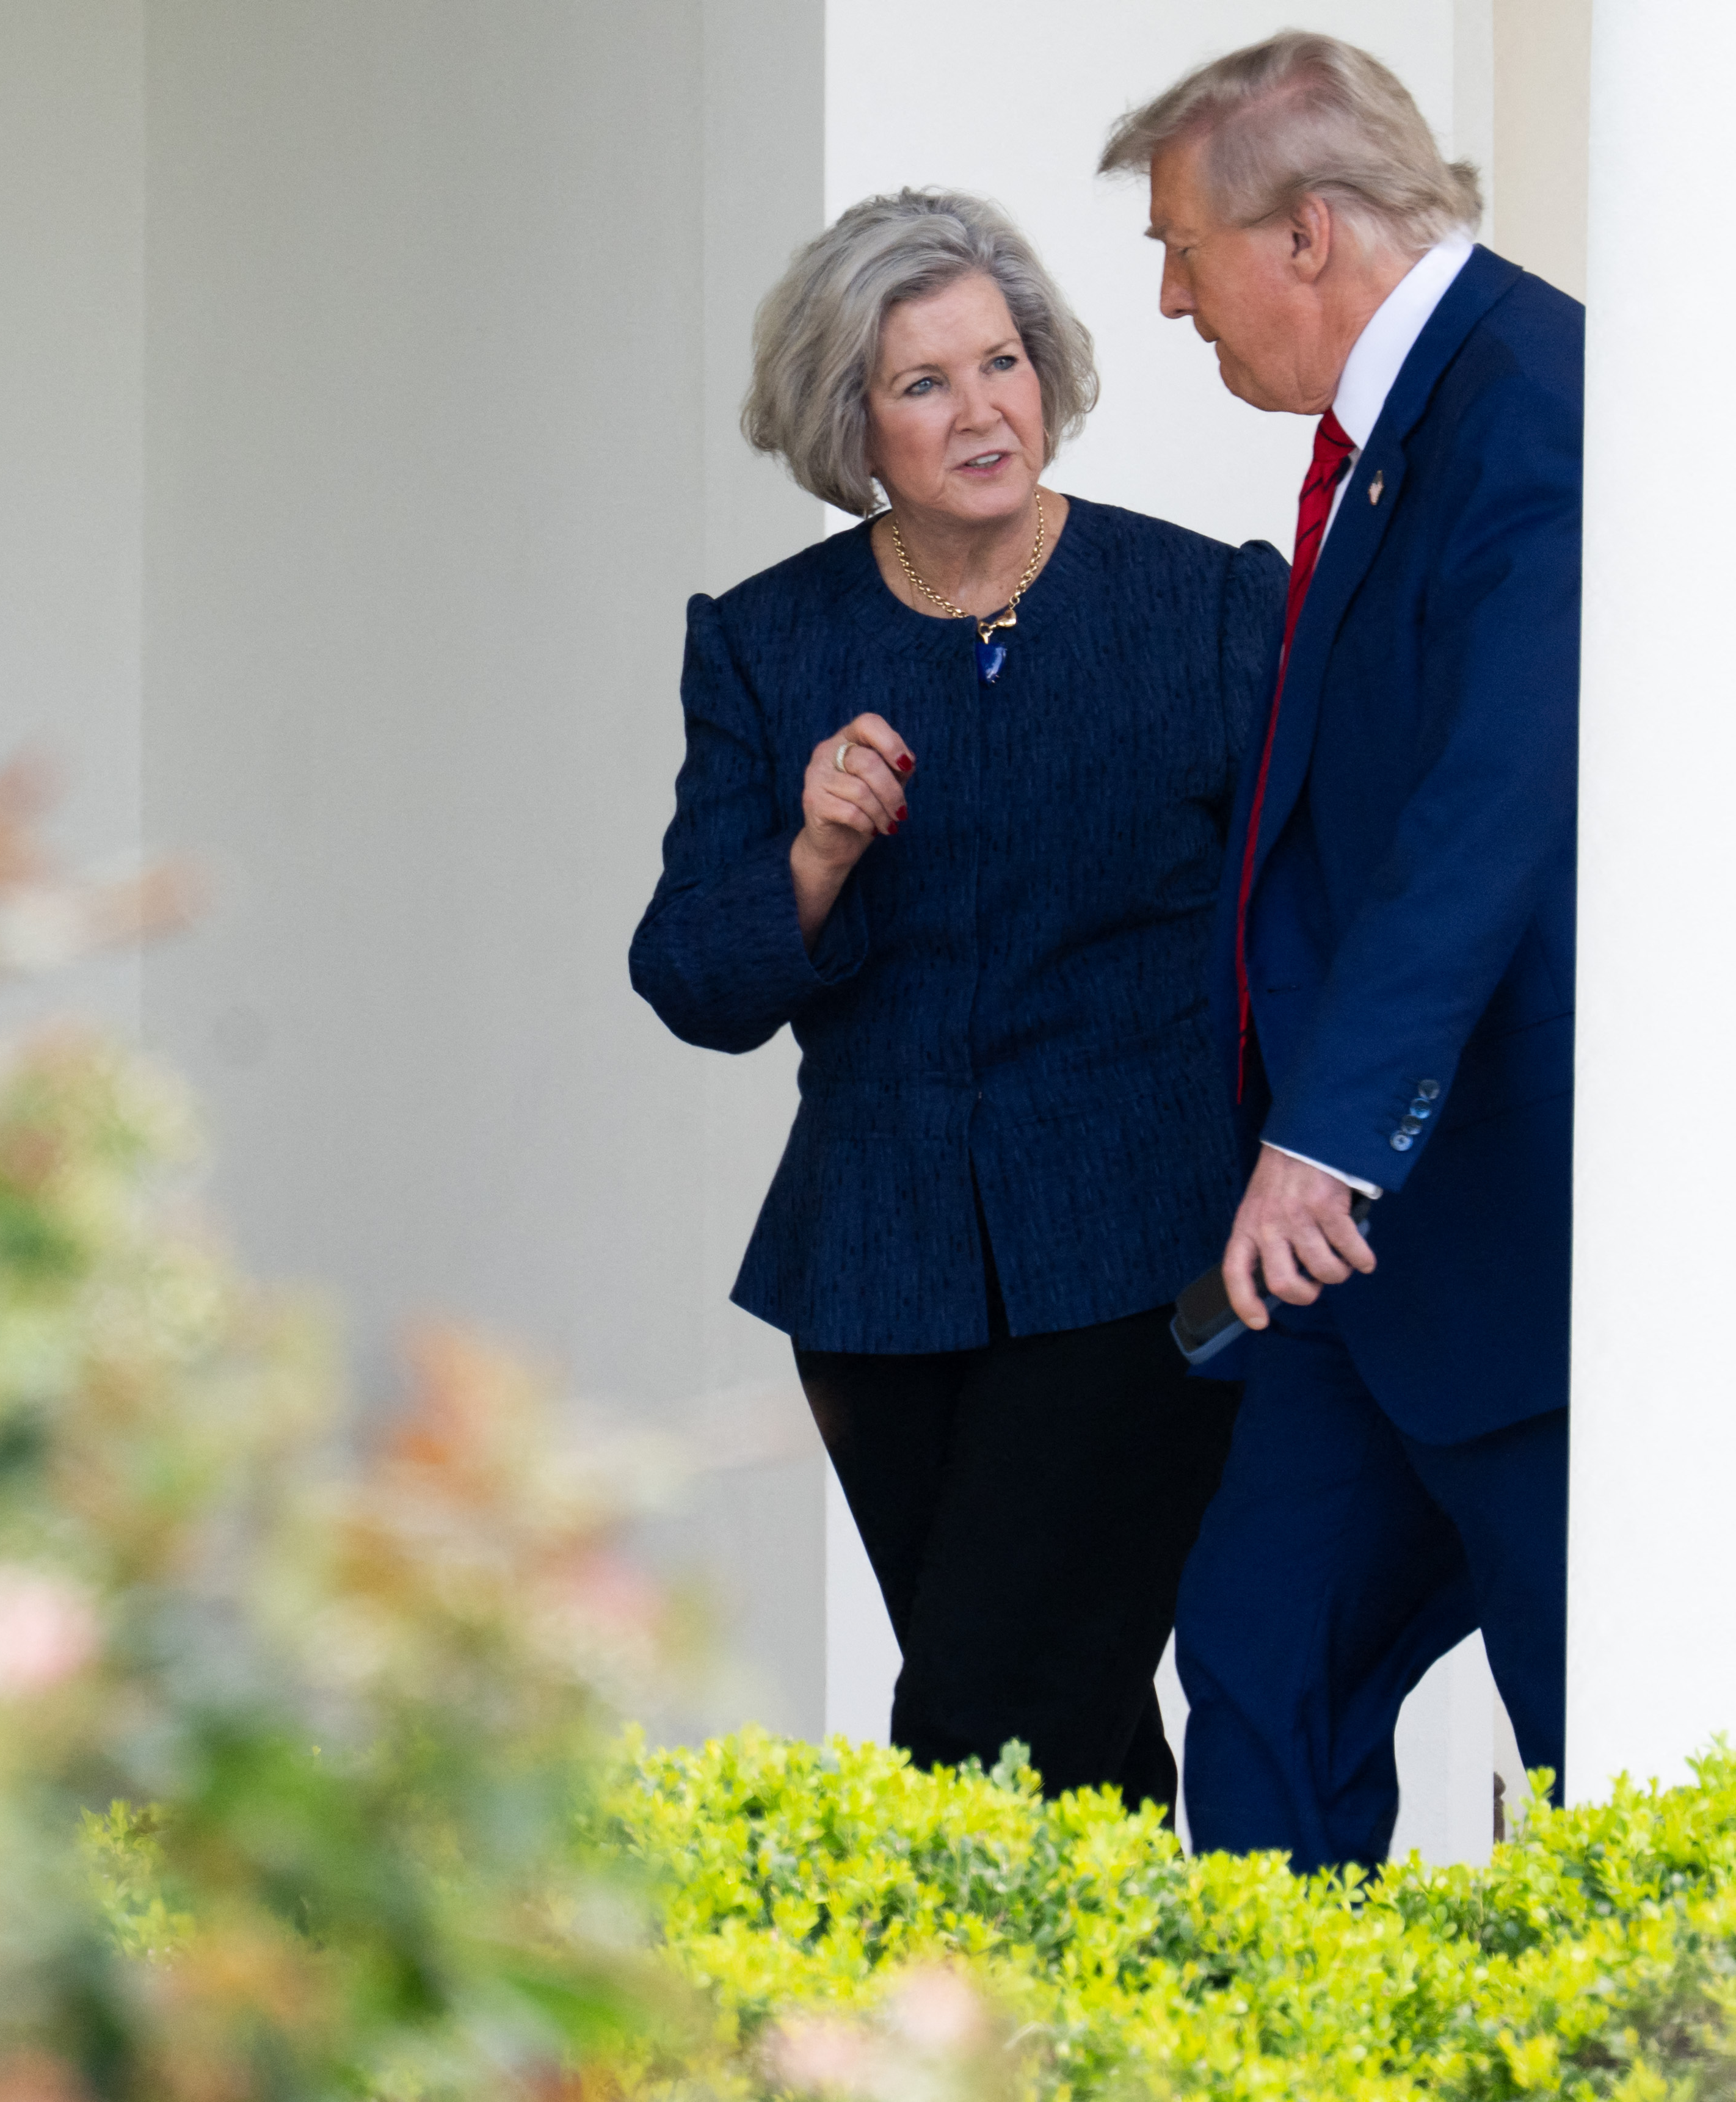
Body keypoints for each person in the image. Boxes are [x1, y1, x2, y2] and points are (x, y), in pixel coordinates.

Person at [628, 189, 1285, 1811]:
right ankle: (1122, 2046)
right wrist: (815, 851)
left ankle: (942, 2034)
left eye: (1003, 361)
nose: (982, 407)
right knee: (1061, 1721)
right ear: (849, 416)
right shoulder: (769, 644)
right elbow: (694, 975)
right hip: (878, 1274)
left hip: (1146, 1251)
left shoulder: (1204, 610)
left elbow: (1313, 922)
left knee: (989, 1714)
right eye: (923, 382)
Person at [1099, 32, 1582, 1869]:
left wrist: (1330, 1131)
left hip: (1490, 1221)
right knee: (1258, 1658)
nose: (1165, 300)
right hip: (1351, 1252)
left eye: (1179, 247)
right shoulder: (1398, 430)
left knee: (1593, 1729)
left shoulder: (1533, 405)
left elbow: (1493, 817)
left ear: (1307, 233)